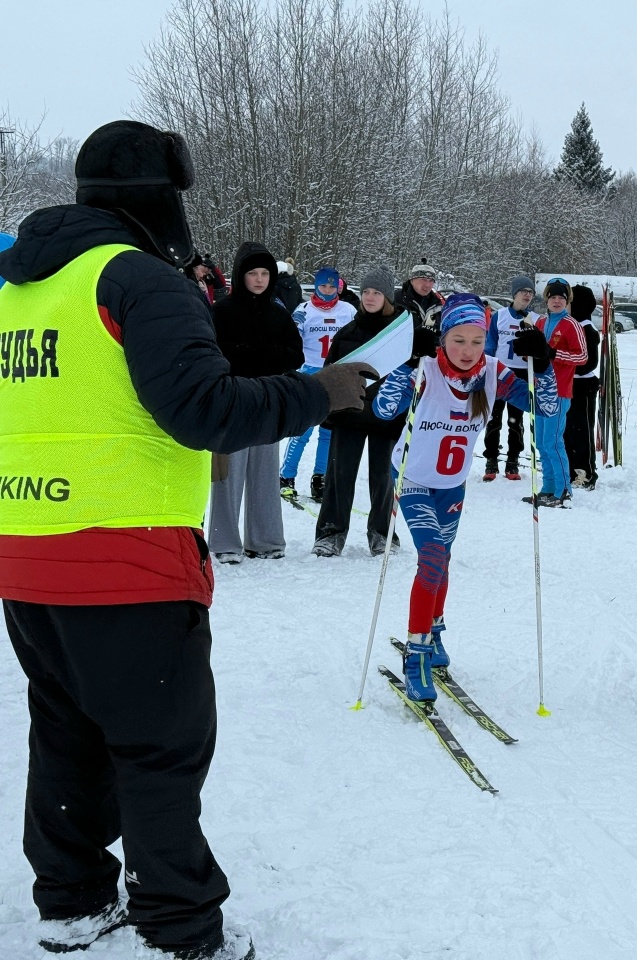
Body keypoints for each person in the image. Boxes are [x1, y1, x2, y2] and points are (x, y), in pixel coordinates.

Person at [0, 119, 371, 959]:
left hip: (25, 548)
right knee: (159, 744)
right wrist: (320, 393)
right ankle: (180, 922)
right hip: (125, 558)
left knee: (65, 731)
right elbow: (205, 411)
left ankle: (69, 899)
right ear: (158, 197)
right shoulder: (139, 280)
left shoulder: (19, 288)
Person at [373, 293, 534, 700]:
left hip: (452, 485)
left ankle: (436, 630)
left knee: (441, 563)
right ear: (443, 338)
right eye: (458, 340)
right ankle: (417, 653)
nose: (467, 350)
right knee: (430, 559)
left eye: (477, 341)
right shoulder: (425, 370)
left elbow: (545, 406)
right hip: (412, 479)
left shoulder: (494, 373)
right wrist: (405, 365)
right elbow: (383, 409)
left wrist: (543, 363)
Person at [208, 243, 305, 562]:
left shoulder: (278, 312)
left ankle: (265, 540)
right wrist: (251, 353)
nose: (260, 279)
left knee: (264, 471)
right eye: (253, 273)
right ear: (241, 275)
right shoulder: (221, 311)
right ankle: (224, 542)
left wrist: (266, 355)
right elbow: (213, 352)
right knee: (229, 473)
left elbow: (295, 354)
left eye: (265, 273)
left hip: (268, 400)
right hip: (233, 400)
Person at [313, 267, 409, 557]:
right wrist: (327, 409)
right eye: (366, 291)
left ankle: (382, 534)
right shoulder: (348, 332)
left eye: (377, 292)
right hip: (349, 413)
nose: (369, 297)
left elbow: (412, 371)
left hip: (386, 415)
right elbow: (329, 372)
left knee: (384, 478)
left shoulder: (401, 332)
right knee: (339, 475)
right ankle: (331, 532)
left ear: (387, 297)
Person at [280, 266, 357, 501]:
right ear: (316, 286)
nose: (327, 290)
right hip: (309, 373)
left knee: (328, 431)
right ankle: (287, 476)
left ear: (338, 287)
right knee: (303, 430)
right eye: (323, 285)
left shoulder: (348, 310)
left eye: (332, 286)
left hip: (336, 374)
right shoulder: (304, 309)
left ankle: (320, 478)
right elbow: (291, 343)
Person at [512, 277, 586, 507]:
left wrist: (554, 355)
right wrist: (527, 352)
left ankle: (564, 489)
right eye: (552, 297)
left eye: (560, 298)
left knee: (554, 442)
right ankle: (548, 487)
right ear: (546, 300)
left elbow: (582, 357)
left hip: (559, 391)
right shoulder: (541, 323)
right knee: (541, 443)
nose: (556, 301)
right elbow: (537, 353)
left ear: (567, 301)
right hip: (540, 390)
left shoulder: (571, 324)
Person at [481, 275, 538, 480]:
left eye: (530, 292)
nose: (527, 295)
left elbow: (539, 349)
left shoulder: (535, 319)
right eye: (523, 291)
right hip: (499, 371)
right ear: (514, 294)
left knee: (516, 420)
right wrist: (487, 367)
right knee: (494, 418)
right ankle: (491, 460)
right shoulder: (500, 316)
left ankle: (513, 460)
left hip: (522, 373)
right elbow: (490, 343)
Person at [565, 284, 601, 490]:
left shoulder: (586, 329)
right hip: (571, 384)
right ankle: (573, 468)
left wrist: (565, 364)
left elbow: (589, 362)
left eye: (570, 302)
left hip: (583, 385)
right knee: (570, 429)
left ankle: (585, 472)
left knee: (581, 431)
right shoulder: (575, 326)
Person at [397, 259, 443, 327]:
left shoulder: (437, 304)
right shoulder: (396, 299)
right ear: (412, 281)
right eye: (423, 279)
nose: (427, 285)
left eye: (431, 281)